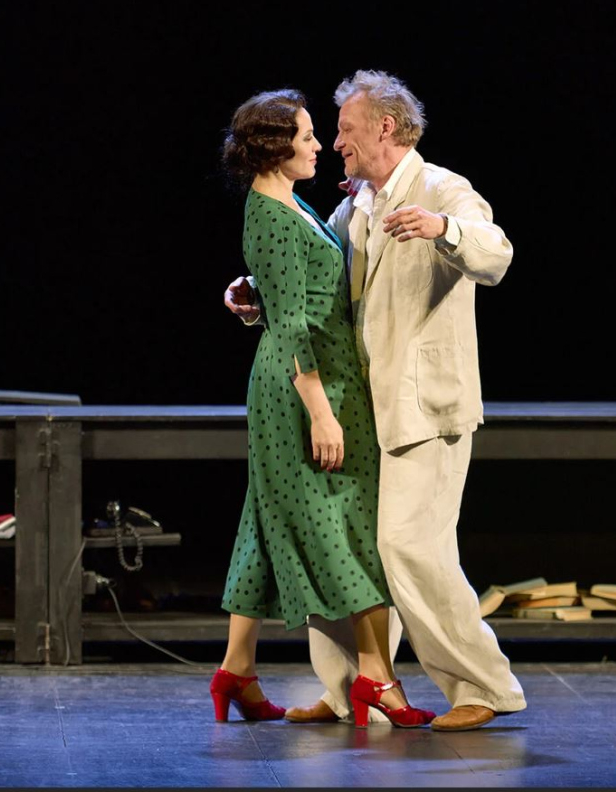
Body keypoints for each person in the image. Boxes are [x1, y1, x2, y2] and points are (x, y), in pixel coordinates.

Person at [225, 70, 525, 732]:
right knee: (346, 542)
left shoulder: (442, 188)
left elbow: (497, 253)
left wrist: (443, 228)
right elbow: (316, 284)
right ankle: (347, 690)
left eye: (345, 129)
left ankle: (482, 684)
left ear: (385, 127)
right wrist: (256, 293)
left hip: (424, 406)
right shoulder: (355, 204)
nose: (336, 143)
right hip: (360, 404)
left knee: (410, 547)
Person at [210, 88, 434, 729]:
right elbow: (290, 327)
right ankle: (376, 678)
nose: (320, 146)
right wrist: (322, 412)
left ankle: (236, 670)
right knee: (346, 521)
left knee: (266, 519)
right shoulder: (273, 215)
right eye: (307, 136)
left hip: (317, 381)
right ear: (274, 148)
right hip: (306, 388)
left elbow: (288, 293)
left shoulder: (291, 204)